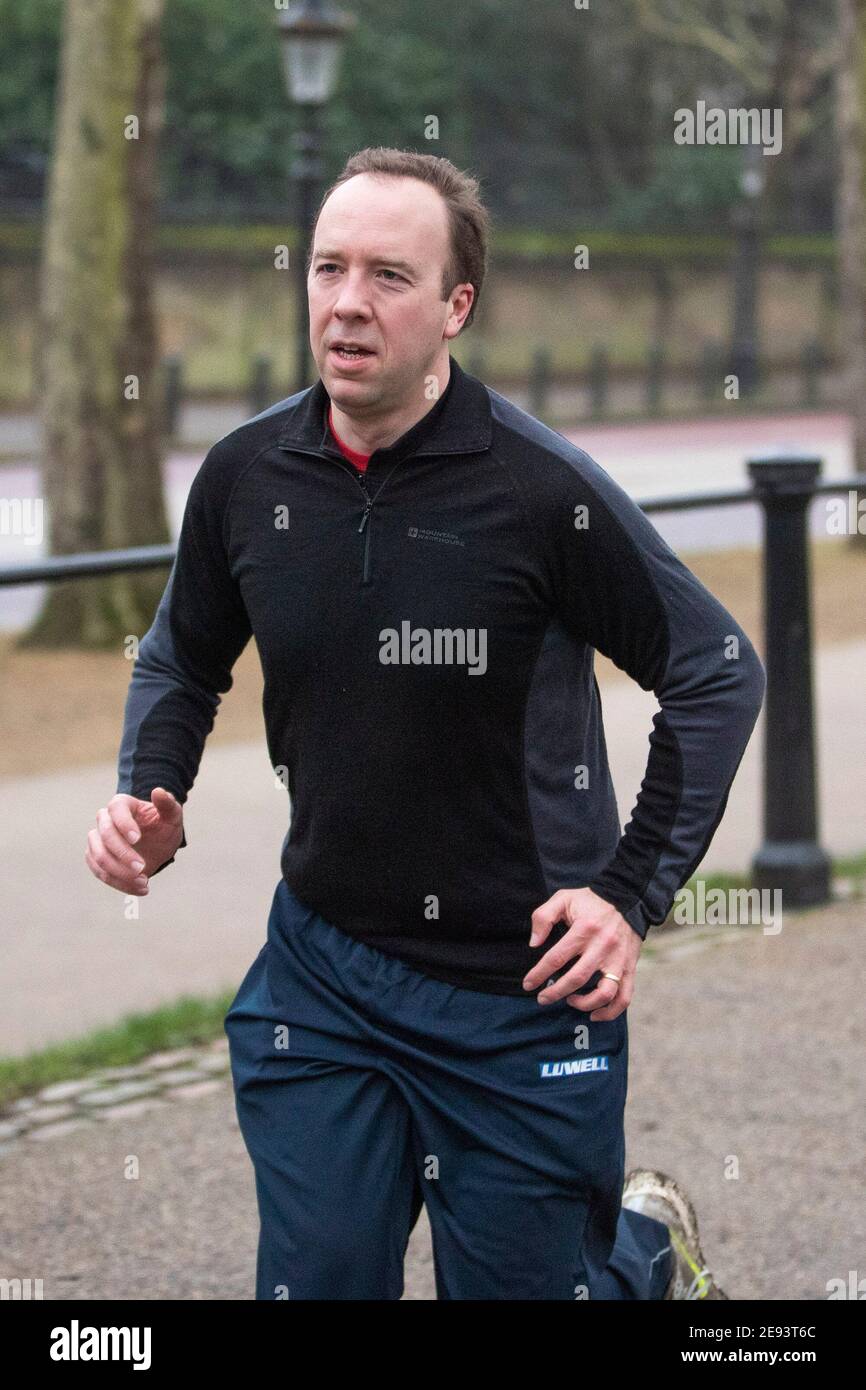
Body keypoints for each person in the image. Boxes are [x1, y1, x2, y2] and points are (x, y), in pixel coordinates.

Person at [87, 147, 765, 1300]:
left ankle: (643, 1260)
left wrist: (627, 895)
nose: (347, 302)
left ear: (457, 306)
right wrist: (152, 789)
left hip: (521, 994)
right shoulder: (247, 477)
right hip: (325, 975)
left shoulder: (540, 492)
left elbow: (714, 670)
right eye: (327, 268)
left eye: (389, 277)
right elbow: (180, 654)